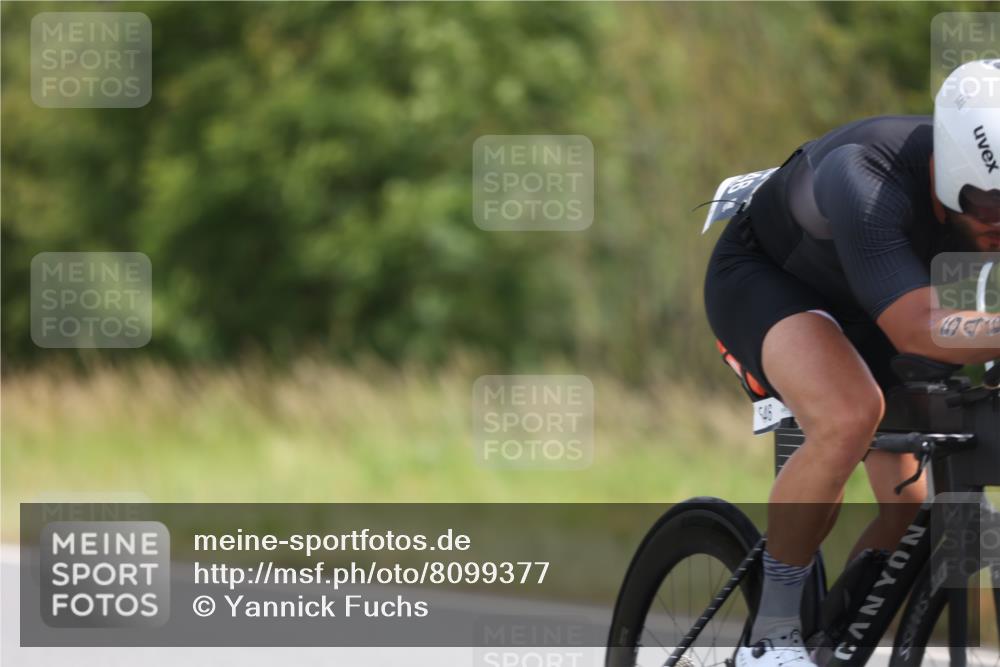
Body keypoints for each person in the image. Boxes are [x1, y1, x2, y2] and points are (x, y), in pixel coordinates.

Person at [703, 59, 1000, 667]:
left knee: (909, 506)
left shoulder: (979, 202)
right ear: (954, 172)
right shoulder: (865, 173)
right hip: (771, 281)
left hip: (878, 302)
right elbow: (919, 329)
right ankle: (770, 637)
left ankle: (830, 642)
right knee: (847, 416)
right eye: (992, 206)